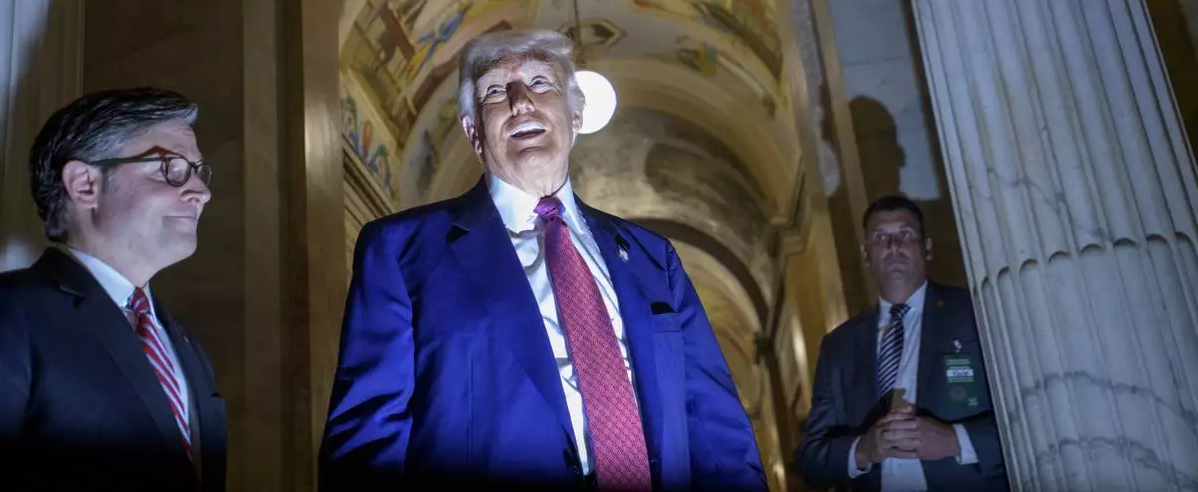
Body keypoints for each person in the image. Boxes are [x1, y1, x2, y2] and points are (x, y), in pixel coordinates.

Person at [321, 29, 766, 491]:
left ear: (575, 113)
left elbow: (719, 436)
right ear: (474, 132)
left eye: (540, 82)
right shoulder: (399, 250)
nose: (520, 102)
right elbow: (365, 447)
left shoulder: (655, 259)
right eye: (495, 90)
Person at [0, 87, 226, 492]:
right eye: (172, 168)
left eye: (199, 171)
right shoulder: (10, 313)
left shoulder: (189, 348)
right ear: (85, 184)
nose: (201, 192)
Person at [795, 195, 1007, 491]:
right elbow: (810, 460)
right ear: (866, 253)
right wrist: (862, 450)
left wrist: (956, 440)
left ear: (927, 247)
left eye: (905, 234)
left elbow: (1033, 417)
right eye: (880, 237)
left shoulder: (975, 312)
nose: (893, 246)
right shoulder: (838, 346)